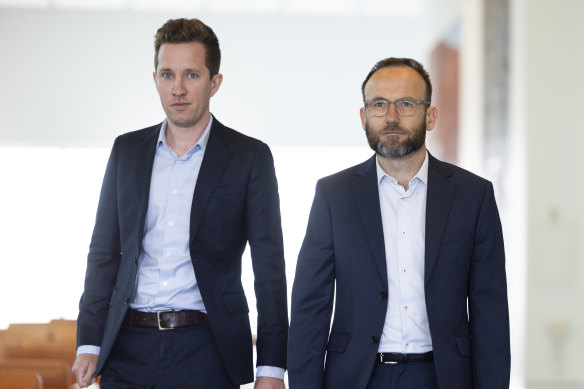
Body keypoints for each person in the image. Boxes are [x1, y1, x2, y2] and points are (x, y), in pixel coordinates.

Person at [72, 18, 288, 389]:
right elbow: (104, 253)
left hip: (207, 347)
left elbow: (269, 269)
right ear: (155, 79)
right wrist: (89, 341)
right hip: (128, 346)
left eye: (191, 75)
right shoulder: (126, 151)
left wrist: (271, 368)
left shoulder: (249, 157)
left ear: (214, 82)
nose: (178, 89)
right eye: (168, 75)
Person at [287, 57, 510, 389]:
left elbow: (490, 311)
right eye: (379, 104)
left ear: (430, 116)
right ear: (364, 118)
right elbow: (309, 309)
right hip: (357, 378)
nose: (391, 117)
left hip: (443, 377)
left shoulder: (473, 196)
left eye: (406, 103)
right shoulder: (334, 195)